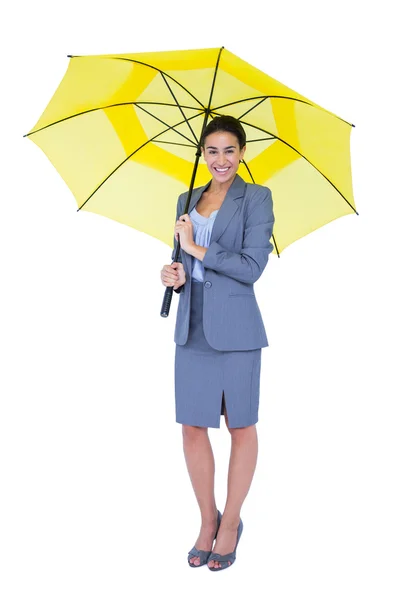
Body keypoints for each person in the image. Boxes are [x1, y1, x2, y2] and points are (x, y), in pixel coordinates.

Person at [160, 115, 275, 571]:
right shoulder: (186, 199)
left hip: (238, 331)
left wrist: (196, 249)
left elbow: (251, 267)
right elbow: (187, 266)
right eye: (212, 151)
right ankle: (208, 519)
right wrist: (174, 274)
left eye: (230, 150)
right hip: (193, 327)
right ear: (201, 155)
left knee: (240, 427)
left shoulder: (257, 198)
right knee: (192, 427)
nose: (220, 160)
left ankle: (232, 524)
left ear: (242, 153)